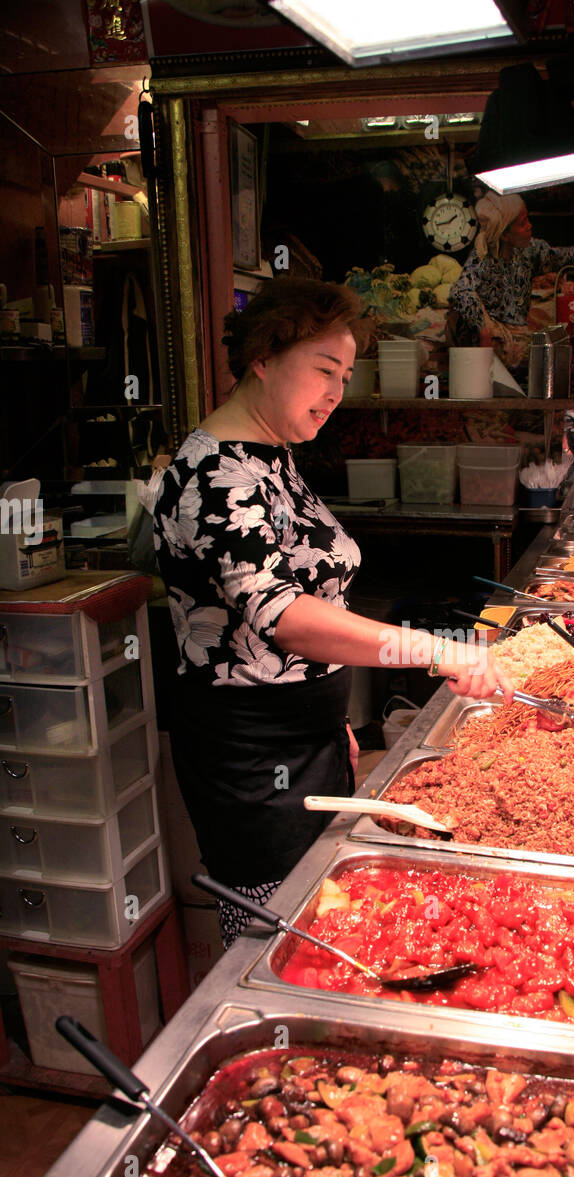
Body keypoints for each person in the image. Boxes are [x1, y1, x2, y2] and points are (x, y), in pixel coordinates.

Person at [152, 277, 513, 947]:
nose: (336, 393)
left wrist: (331, 719)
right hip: (251, 755)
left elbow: (314, 604)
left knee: (335, 916)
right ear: (263, 357)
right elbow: (281, 613)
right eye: (324, 371)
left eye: (344, 376)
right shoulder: (212, 474)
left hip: (307, 733)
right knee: (281, 940)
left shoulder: (274, 457)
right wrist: (431, 650)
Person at [447, 192, 574, 365]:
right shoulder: (482, 258)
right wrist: (483, 330)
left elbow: (562, 257)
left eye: (527, 219)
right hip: (488, 339)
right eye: (523, 223)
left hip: (516, 332)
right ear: (505, 234)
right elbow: (459, 291)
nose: (530, 226)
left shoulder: (530, 250)